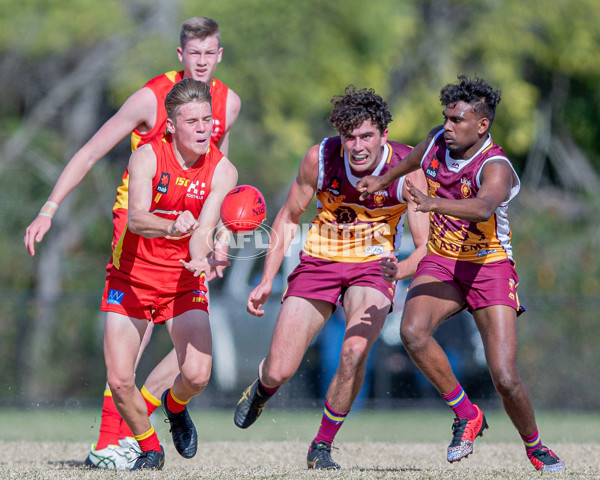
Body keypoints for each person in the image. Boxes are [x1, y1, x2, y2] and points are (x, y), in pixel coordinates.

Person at [23, 17, 241, 469]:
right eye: (193, 54)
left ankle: (148, 418)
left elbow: (218, 176)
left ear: (219, 56)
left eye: (209, 53)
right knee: (129, 354)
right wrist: (49, 207)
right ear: (180, 55)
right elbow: (89, 152)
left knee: (193, 362)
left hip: (188, 224)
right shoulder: (151, 97)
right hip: (139, 225)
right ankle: (109, 443)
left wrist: (215, 238)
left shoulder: (227, 104)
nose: (201, 63)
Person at [357, 75, 565, 472]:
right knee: (412, 331)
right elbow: (418, 154)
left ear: (482, 125)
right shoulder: (439, 140)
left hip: (489, 267)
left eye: (457, 120)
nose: (448, 127)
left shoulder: (496, 165)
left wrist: (434, 203)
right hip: (443, 261)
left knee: (504, 377)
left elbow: (485, 207)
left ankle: (535, 446)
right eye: (446, 118)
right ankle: (467, 413)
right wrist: (383, 178)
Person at [233, 86, 429, 470]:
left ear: (384, 135)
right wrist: (266, 279)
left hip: (374, 268)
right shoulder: (319, 159)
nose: (358, 147)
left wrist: (399, 271)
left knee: (354, 351)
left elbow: (424, 246)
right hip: (319, 262)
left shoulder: (408, 170)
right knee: (278, 369)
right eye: (350, 137)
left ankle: (321, 445)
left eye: (367, 136)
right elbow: (289, 218)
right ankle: (262, 389)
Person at [102, 78, 237, 470]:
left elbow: (206, 229)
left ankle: (174, 407)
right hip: (132, 277)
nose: (201, 128)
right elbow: (139, 219)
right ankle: (150, 448)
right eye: (191, 120)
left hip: (182, 279)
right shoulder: (146, 156)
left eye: (207, 120)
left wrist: (201, 256)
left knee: (196, 376)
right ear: (172, 125)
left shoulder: (223, 170)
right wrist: (171, 226)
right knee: (120, 380)